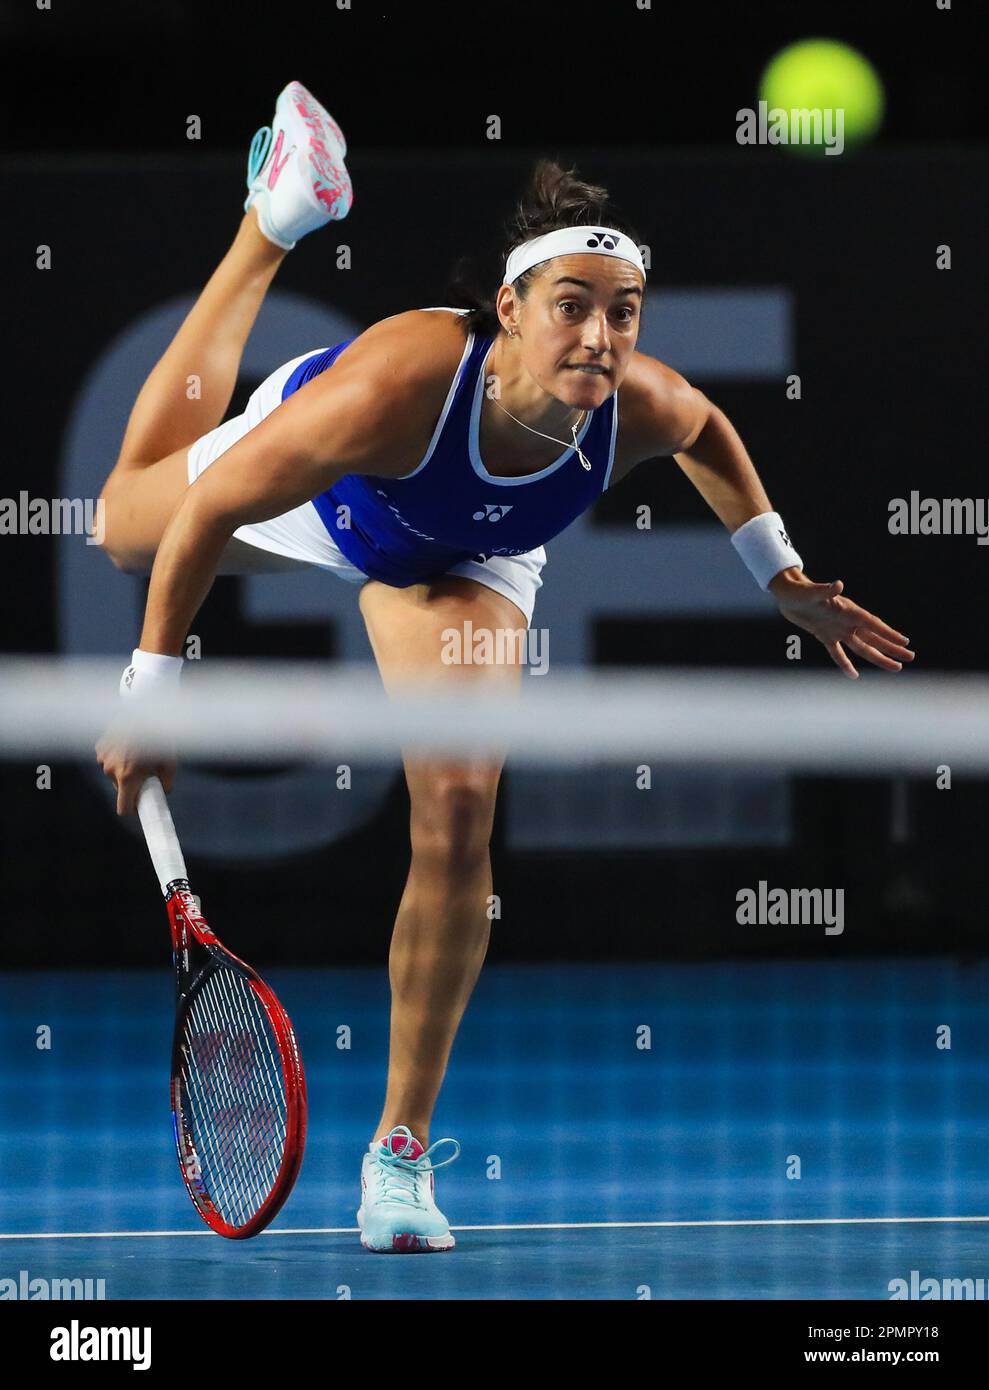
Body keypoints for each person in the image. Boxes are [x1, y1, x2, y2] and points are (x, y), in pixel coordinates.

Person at [94, 80, 914, 1253]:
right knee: (127, 518)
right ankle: (273, 221)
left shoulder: (640, 401)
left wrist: (779, 578)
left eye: (623, 312)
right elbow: (212, 508)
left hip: (471, 557)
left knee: (462, 806)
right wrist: (148, 691)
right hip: (341, 500)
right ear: (508, 309)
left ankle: (398, 1157)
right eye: (571, 307)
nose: (599, 336)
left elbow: (710, 441)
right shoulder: (390, 388)